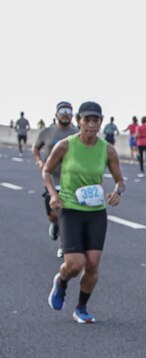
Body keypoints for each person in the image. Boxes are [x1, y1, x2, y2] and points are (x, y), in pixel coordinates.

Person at [43, 101, 126, 323]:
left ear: (101, 122)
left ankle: (81, 308)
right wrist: (53, 193)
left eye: (95, 120)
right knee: (74, 264)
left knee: (92, 264)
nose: (90, 124)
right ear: (78, 121)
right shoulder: (65, 145)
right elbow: (47, 170)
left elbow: (120, 180)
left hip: (96, 211)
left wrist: (117, 192)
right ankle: (61, 281)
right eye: (86, 120)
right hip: (70, 209)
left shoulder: (107, 149)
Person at [32, 101, 79, 258]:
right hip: (52, 178)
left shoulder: (77, 133)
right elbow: (35, 148)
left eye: (68, 111)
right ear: (56, 114)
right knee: (53, 214)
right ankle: (54, 225)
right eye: (62, 111)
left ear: (72, 115)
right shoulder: (47, 132)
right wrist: (39, 161)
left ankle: (64, 245)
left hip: (71, 180)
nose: (65, 114)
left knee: (67, 213)